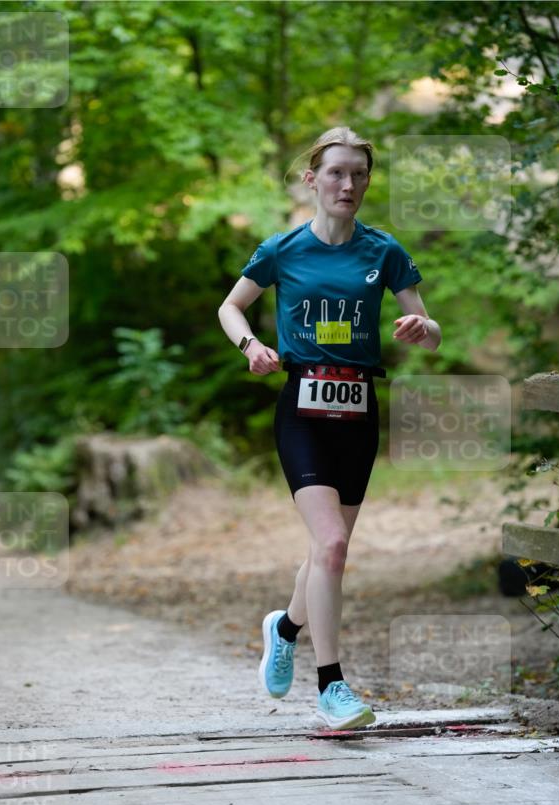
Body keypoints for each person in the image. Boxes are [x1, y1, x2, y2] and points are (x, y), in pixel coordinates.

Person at [217, 125, 441, 730]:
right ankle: (331, 686)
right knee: (334, 546)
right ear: (312, 179)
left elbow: (429, 328)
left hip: (359, 412)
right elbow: (230, 306)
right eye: (337, 173)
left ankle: (285, 628)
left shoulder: (384, 251)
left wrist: (422, 329)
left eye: (359, 174)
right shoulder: (283, 248)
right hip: (302, 410)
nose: (348, 184)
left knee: (327, 551)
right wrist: (251, 346)